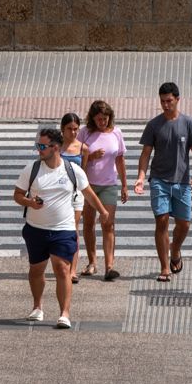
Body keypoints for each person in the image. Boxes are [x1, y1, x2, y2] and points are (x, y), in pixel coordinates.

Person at [14, 126, 110, 329]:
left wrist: (102, 211)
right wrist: (30, 202)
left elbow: (88, 192)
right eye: (38, 145)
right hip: (36, 229)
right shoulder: (31, 169)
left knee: (62, 269)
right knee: (36, 270)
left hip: (63, 229)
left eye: (42, 146)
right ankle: (37, 306)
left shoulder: (72, 170)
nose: (39, 149)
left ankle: (64, 313)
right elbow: (17, 195)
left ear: (55, 147)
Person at [133, 81, 192, 282]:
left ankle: (176, 250)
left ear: (177, 100)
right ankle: (164, 268)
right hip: (159, 180)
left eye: (169, 101)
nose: (165, 105)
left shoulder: (188, 123)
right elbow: (145, 153)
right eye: (162, 101)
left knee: (184, 224)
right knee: (161, 220)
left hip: (181, 181)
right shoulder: (154, 125)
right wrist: (140, 177)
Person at [78, 100, 126, 281]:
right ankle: (92, 262)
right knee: (89, 223)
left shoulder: (116, 133)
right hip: (88, 185)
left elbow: (120, 159)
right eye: (99, 119)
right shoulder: (85, 133)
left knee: (108, 223)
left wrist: (124, 185)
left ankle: (109, 266)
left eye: (105, 119)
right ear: (92, 118)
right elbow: (75, 156)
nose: (102, 122)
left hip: (109, 184)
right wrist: (90, 157)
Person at [58, 113, 87, 283]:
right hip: (59, 193)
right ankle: (61, 264)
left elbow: (84, 172)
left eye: (76, 129)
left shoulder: (83, 148)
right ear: (62, 129)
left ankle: (73, 270)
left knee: (74, 230)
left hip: (76, 194)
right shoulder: (56, 147)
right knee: (59, 229)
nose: (73, 132)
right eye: (69, 129)